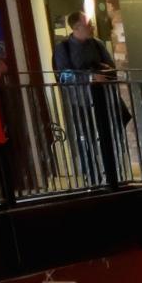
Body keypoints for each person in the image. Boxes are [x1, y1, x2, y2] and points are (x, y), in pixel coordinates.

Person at [54, 10, 126, 183]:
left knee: (109, 136)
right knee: (86, 139)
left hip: (103, 99)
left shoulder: (97, 44)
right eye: (88, 24)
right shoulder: (63, 48)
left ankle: (113, 174)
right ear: (77, 27)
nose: (92, 26)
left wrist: (103, 71)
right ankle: (92, 177)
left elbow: (111, 68)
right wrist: (89, 77)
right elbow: (63, 76)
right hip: (80, 101)